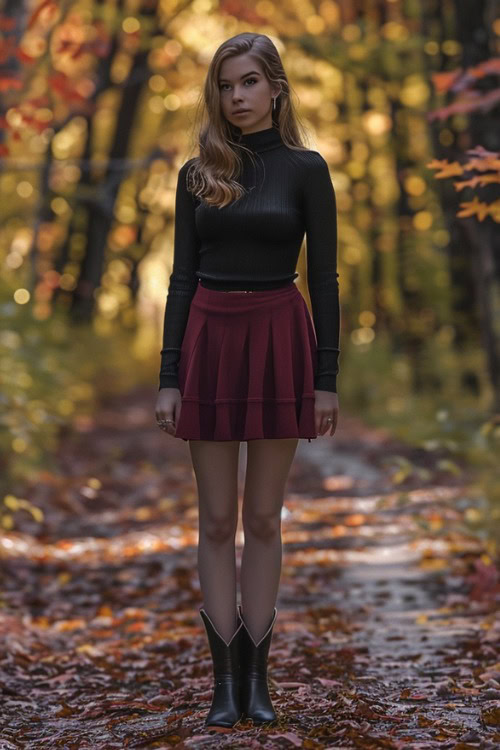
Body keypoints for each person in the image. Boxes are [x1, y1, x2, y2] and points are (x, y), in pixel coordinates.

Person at [155, 32, 340, 730]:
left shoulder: (306, 169)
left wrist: (327, 379)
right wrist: (168, 377)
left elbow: (324, 278)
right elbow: (178, 279)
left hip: (279, 337)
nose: (237, 96)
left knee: (264, 518)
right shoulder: (196, 172)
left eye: (249, 83)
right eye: (226, 85)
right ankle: (222, 684)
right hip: (209, 337)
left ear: (276, 89)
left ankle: (258, 682)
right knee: (216, 519)